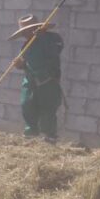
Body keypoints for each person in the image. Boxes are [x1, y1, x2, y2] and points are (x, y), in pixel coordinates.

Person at [9, 14, 64, 143]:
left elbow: (57, 49)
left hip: (47, 80)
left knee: (47, 110)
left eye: (27, 31)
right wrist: (20, 65)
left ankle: (49, 137)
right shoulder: (25, 46)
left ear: (35, 28)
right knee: (27, 105)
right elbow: (29, 64)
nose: (25, 34)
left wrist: (42, 38)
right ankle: (31, 134)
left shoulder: (52, 39)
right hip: (30, 81)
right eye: (23, 32)